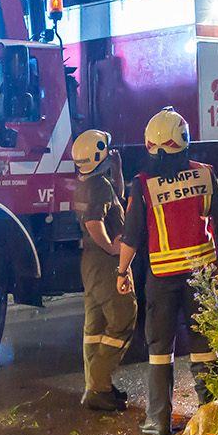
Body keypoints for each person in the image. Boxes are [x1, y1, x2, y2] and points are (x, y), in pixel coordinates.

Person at [116, 107, 218, 435]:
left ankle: (158, 420)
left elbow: (132, 235)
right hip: (202, 276)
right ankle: (212, 418)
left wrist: (122, 271)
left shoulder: (143, 184)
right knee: (204, 342)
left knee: (159, 346)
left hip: (163, 277)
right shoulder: (204, 174)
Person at [70, 129, 136, 411]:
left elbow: (115, 200)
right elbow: (94, 223)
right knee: (123, 316)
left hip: (91, 264)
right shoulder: (97, 185)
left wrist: (118, 169)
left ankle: (97, 385)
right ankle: (99, 384)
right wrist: (111, 248)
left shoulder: (90, 183)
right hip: (106, 263)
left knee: (95, 326)